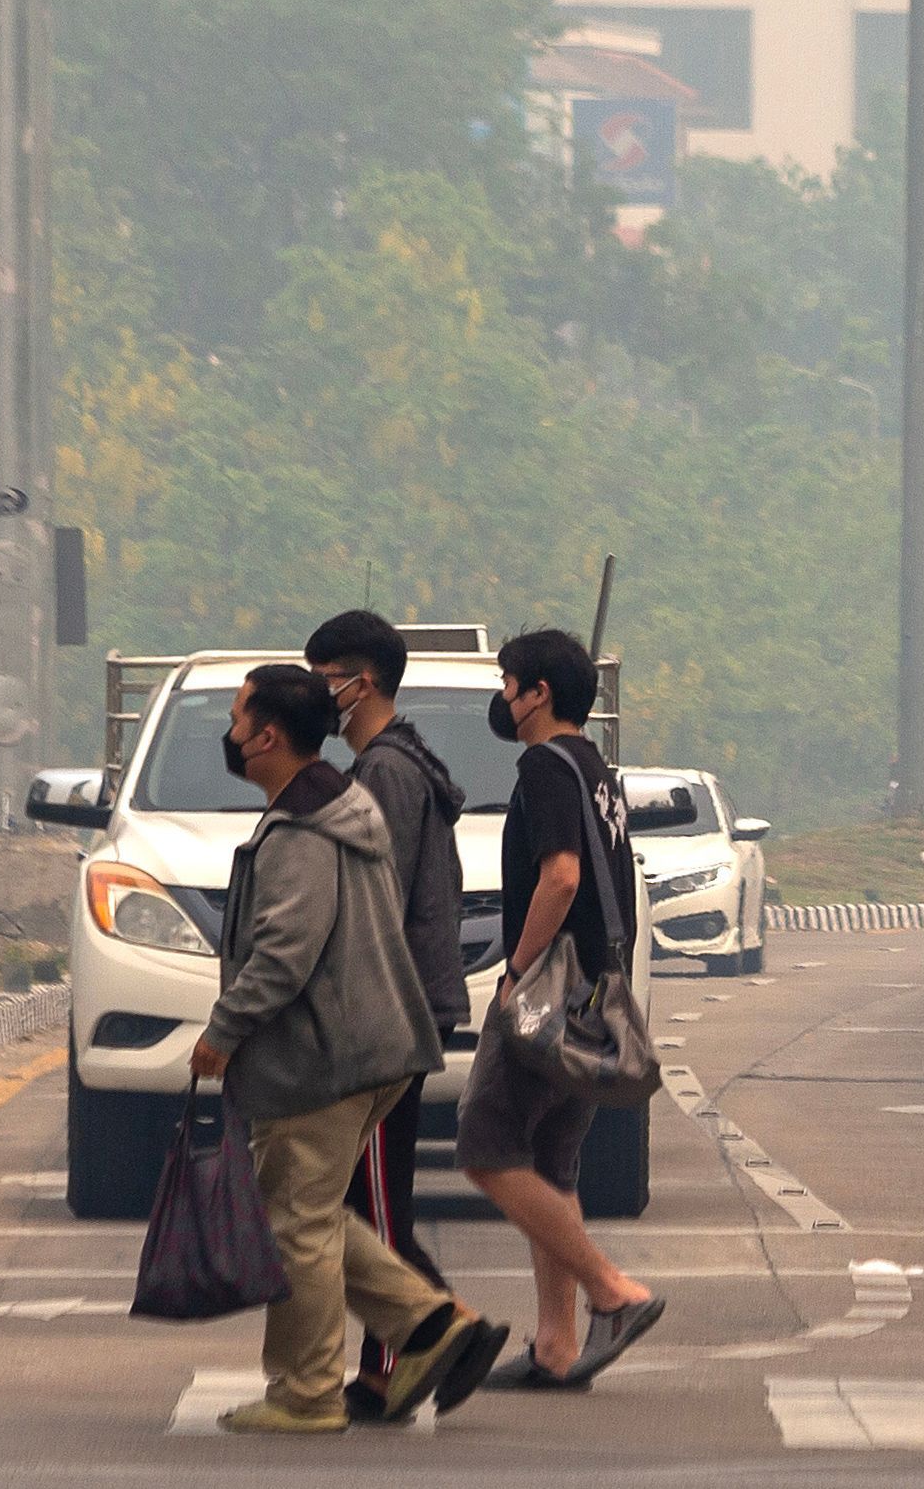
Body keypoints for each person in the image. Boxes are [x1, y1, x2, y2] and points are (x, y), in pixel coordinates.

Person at [192, 663, 504, 1435]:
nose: (229, 734)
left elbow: (283, 952)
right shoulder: (342, 801)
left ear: (266, 736)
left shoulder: (302, 829)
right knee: (314, 1211)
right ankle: (430, 1326)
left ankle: (308, 1392)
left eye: (236, 719)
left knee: (298, 1223)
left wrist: (223, 1032)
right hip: (372, 1045)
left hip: (321, 1057)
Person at [462, 627, 662, 1389]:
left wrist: (515, 972)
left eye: (509, 682)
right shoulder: (594, 768)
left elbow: (563, 877)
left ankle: (613, 1290)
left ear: (537, 692)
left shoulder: (544, 765)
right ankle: (556, 1342)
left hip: (552, 992)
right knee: (551, 1161)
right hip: (597, 994)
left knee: (486, 1147)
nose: (502, 697)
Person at [308, 609, 470, 1422]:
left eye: (323, 678)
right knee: (374, 1194)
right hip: (405, 1008)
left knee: (366, 1199)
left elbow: (375, 901)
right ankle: (411, 1346)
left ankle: (429, 1334)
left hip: (385, 1017)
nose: (317, 696)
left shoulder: (384, 774)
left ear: (358, 682)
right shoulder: (402, 762)